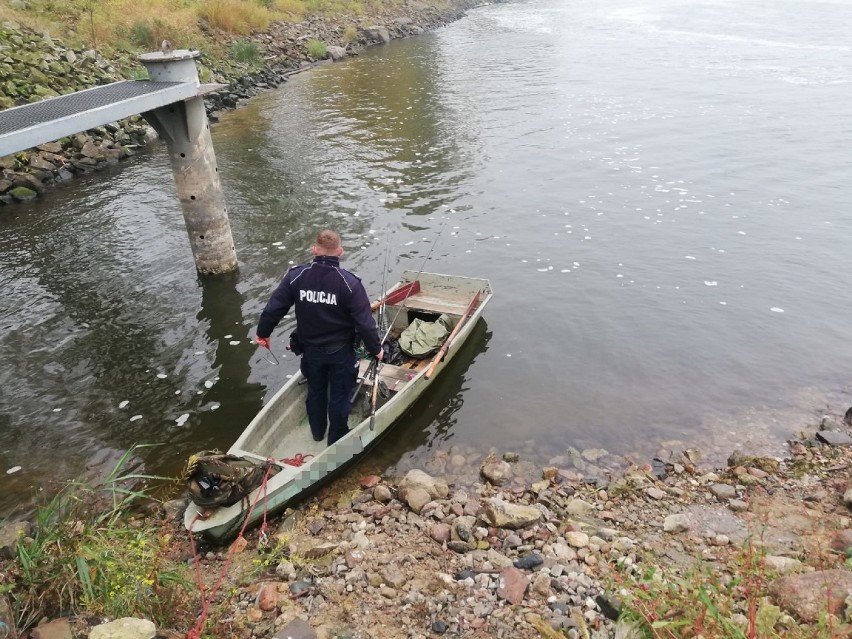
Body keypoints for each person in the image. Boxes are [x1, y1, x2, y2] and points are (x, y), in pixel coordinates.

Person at [255, 230, 383, 445]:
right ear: (340, 252)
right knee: (340, 396)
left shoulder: (296, 276)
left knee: (316, 391)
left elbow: (273, 309)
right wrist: (376, 349)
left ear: (314, 250)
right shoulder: (350, 283)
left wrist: (263, 334)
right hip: (340, 352)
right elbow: (365, 324)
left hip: (310, 350)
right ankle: (336, 438)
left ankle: (317, 432)